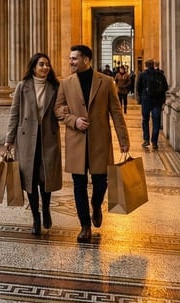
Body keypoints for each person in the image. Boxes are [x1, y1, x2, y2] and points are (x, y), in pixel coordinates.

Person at [55, 44, 131, 243]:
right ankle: (85, 226)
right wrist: (74, 121)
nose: (70, 62)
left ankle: (96, 205)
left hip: (99, 142)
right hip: (76, 142)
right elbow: (59, 110)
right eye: (70, 58)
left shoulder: (106, 82)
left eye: (74, 59)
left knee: (101, 182)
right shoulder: (66, 83)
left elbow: (116, 112)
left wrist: (124, 140)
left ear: (87, 60)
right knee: (78, 185)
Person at [4, 53, 63, 236]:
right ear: (33, 67)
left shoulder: (55, 86)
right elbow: (14, 114)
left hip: (48, 138)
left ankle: (46, 208)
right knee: (29, 179)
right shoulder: (23, 86)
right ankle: (36, 217)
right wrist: (9, 139)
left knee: (46, 178)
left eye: (47, 64)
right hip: (27, 139)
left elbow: (60, 109)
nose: (45, 67)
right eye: (41, 64)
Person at [134, 59, 169, 150]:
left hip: (146, 100)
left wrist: (141, 98)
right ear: (153, 65)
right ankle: (154, 142)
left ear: (145, 65)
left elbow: (138, 87)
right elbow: (165, 87)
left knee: (145, 120)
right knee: (156, 121)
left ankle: (146, 140)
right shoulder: (160, 74)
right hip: (157, 101)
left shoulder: (142, 75)